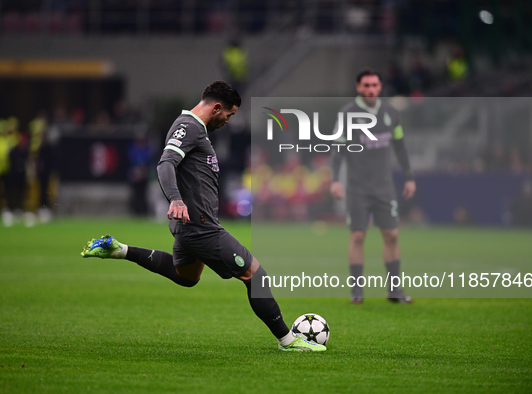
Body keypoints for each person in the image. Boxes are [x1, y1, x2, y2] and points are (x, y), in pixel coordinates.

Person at [81, 81, 325, 352]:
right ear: (217, 107)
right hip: (200, 226)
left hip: (190, 225)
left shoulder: (196, 130)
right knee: (256, 275)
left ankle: (120, 250)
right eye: (229, 115)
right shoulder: (189, 127)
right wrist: (175, 198)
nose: (228, 121)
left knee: (186, 276)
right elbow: (165, 164)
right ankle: (287, 341)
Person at [330, 68, 416, 304]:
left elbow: (400, 146)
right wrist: (336, 179)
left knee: (391, 234)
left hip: (384, 187)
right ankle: (357, 291)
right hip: (357, 187)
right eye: (366, 85)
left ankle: (394, 291)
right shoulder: (347, 114)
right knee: (358, 236)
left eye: (374, 85)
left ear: (380, 87)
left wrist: (409, 177)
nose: (370, 89)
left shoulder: (391, 113)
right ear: (358, 87)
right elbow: (337, 149)